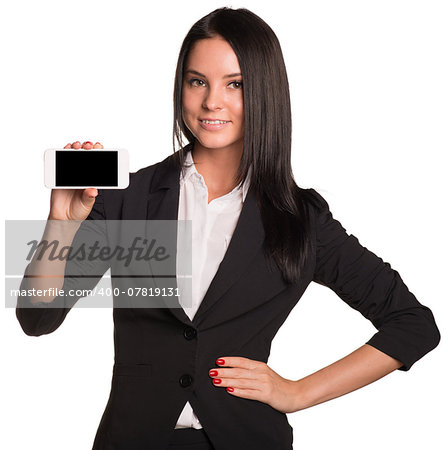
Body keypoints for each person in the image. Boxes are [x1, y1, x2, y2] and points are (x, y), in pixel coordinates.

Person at [16, 7, 440, 450]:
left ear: (265, 93)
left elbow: (413, 325)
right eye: (197, 81)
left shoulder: (300, 218)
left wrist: (296, 392)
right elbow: (37, 318)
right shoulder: (129, 198)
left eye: (235, 84)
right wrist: (59, 226)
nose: (211, 101)